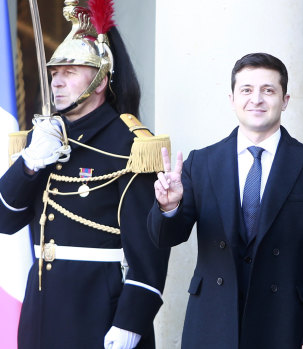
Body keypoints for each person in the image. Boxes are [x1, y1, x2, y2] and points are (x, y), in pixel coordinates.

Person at [0, 1, 170, 348]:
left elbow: (149, 252)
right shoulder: (44, 138)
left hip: (99, 311)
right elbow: (6, 219)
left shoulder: (131, 145)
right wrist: (29, 163)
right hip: (43, 310)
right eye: (55, 72)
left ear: (100, 79)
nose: (57, 82)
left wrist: (130, 323)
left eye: (70, 72)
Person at [148, 52, 303, 349]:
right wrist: (168, 206)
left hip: (285, 324)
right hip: (212, 323)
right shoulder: (202, 163)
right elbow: (165, 238)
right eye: (247, 90)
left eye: (268, 90)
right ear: (232, 99)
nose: (257, 99)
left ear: (285, 100)